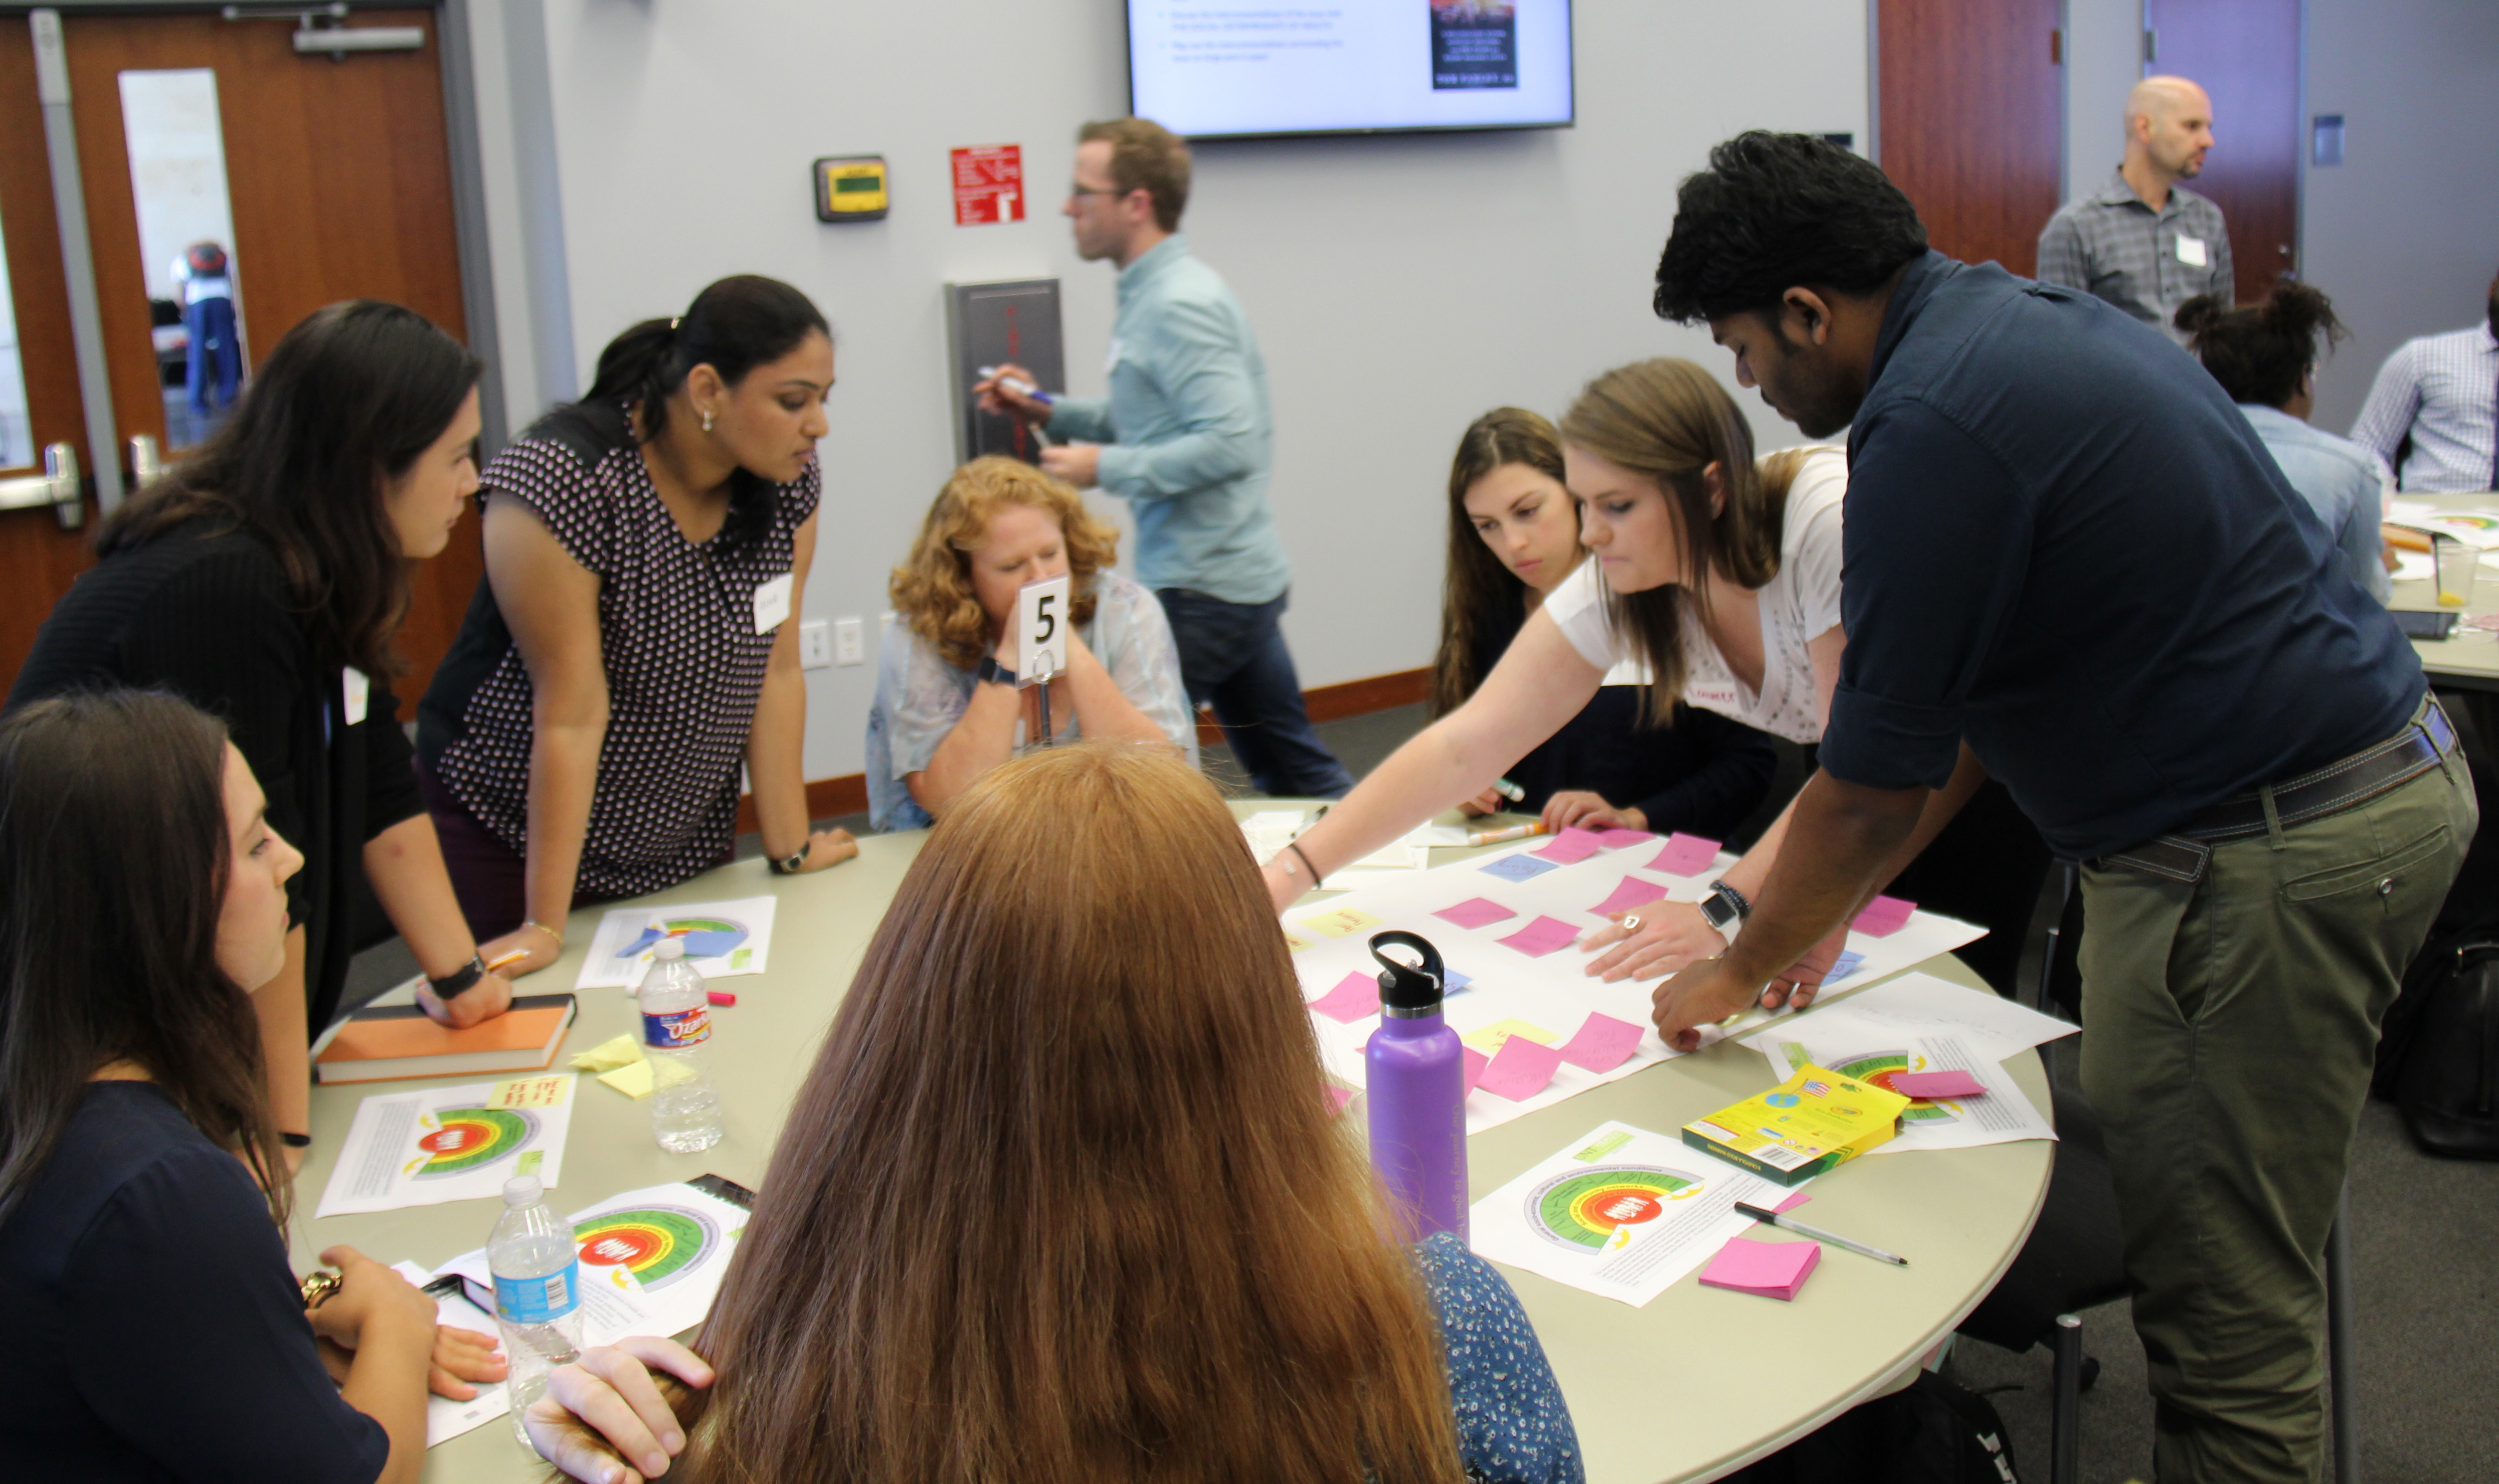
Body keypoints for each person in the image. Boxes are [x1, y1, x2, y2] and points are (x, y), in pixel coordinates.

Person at [1648, 131, 2470, 1484]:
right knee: (2229, 1243)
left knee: (2223, 1323)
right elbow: (1957, 723)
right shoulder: (2018, 323)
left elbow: (1867, 789)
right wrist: (1824, 913)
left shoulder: (1926, 425)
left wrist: (1739, 963)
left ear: (1807, 310)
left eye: (1745, 348)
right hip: (2360, 787)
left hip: (2261, 853)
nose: (1751, 381)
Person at [521, 743, 1583, 1484]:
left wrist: (624, 1441)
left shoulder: (813, 1373)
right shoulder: (1441, 1336)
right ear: (1255, 1022)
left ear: (900, 1036)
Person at [0, 690, 682, 1482]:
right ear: (156, 903)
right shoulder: (159, 1191)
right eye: (256, 843)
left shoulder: (53, 1107)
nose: (291, 859)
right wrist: (397, 1319)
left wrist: (294, 1312)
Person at [9, 300, 528, 1164]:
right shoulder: (227, 586)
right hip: (89, 1017)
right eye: (453, 457)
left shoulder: (319, 567)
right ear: (370, 469)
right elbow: (255, 871)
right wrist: (277, 1134)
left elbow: (381, 784)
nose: (471, 482)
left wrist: (461, 978)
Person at [418, 276, 858, 962]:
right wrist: (543, 926)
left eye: (823, 400)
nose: (818, 425)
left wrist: (791, 847)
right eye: (793, 401)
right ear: (708, 390)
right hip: (520, 838)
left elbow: (774, 670)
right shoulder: (565, 478)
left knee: (693, 1007)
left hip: (680, 832)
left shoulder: (787, 479)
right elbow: (570, 713)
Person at [976, 117, 1355, 799]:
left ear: (1137, 203)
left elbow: (1230, 442)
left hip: (1204, 589)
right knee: (1296, 772)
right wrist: (1045, 409)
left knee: (1142, 770)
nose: (1067, 206)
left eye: (1082, 192)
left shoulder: (1178, 304)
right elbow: (1149, 420)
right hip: (1226, 578)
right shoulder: (1154, 293)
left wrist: (1104, 468)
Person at [1435, 405, 1776, 837]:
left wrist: (1636, 818)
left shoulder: (1660, 598)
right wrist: (1464, 789)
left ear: (1577, 494)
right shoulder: (1487, 621)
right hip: (1525, 856)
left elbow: (1750, 765)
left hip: (1654, 856)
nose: (1513, 543)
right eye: (1487, 526)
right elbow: (1464, 757)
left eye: (1528, 511)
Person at [867, 455, 1196, 830]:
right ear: (964, 577)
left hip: (1107, 835)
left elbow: (1159, 775)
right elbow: (950, 803)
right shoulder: (919, 633)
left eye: (1051, 554)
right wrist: (1008, 661)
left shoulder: (1126, 609)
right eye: (1011, 567)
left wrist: (1071, 649)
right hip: (965, 846)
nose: (1041, 580)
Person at [2177, 283, 2391, 602]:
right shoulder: (2351, 470)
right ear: (2301, 380)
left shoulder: (2168, 452)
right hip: (2299, 632)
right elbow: (2362, 598)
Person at [2036, 76, 2232, 344]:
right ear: (2145, 128)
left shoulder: (2208, 219)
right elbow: (2061, 340)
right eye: (2192, 126)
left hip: (2194, 372)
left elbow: (2224, 332)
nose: (2208, 141)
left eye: (2208, 128)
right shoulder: (2077, 226)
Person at [2346, 267, 2499, 493]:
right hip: (2437, 507)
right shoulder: (2422, 357)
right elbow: (2367, 449)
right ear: (2493, 288)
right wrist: (2389, 503)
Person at [173, 240, 242, 421]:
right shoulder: (224, 257)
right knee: (227, 348)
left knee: (197, 351)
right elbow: (233, 281)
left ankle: (197, 402)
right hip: (222, 299)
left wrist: (183, 309)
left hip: (197, 302)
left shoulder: (184, 259)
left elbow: (180, 288)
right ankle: (227, 397)